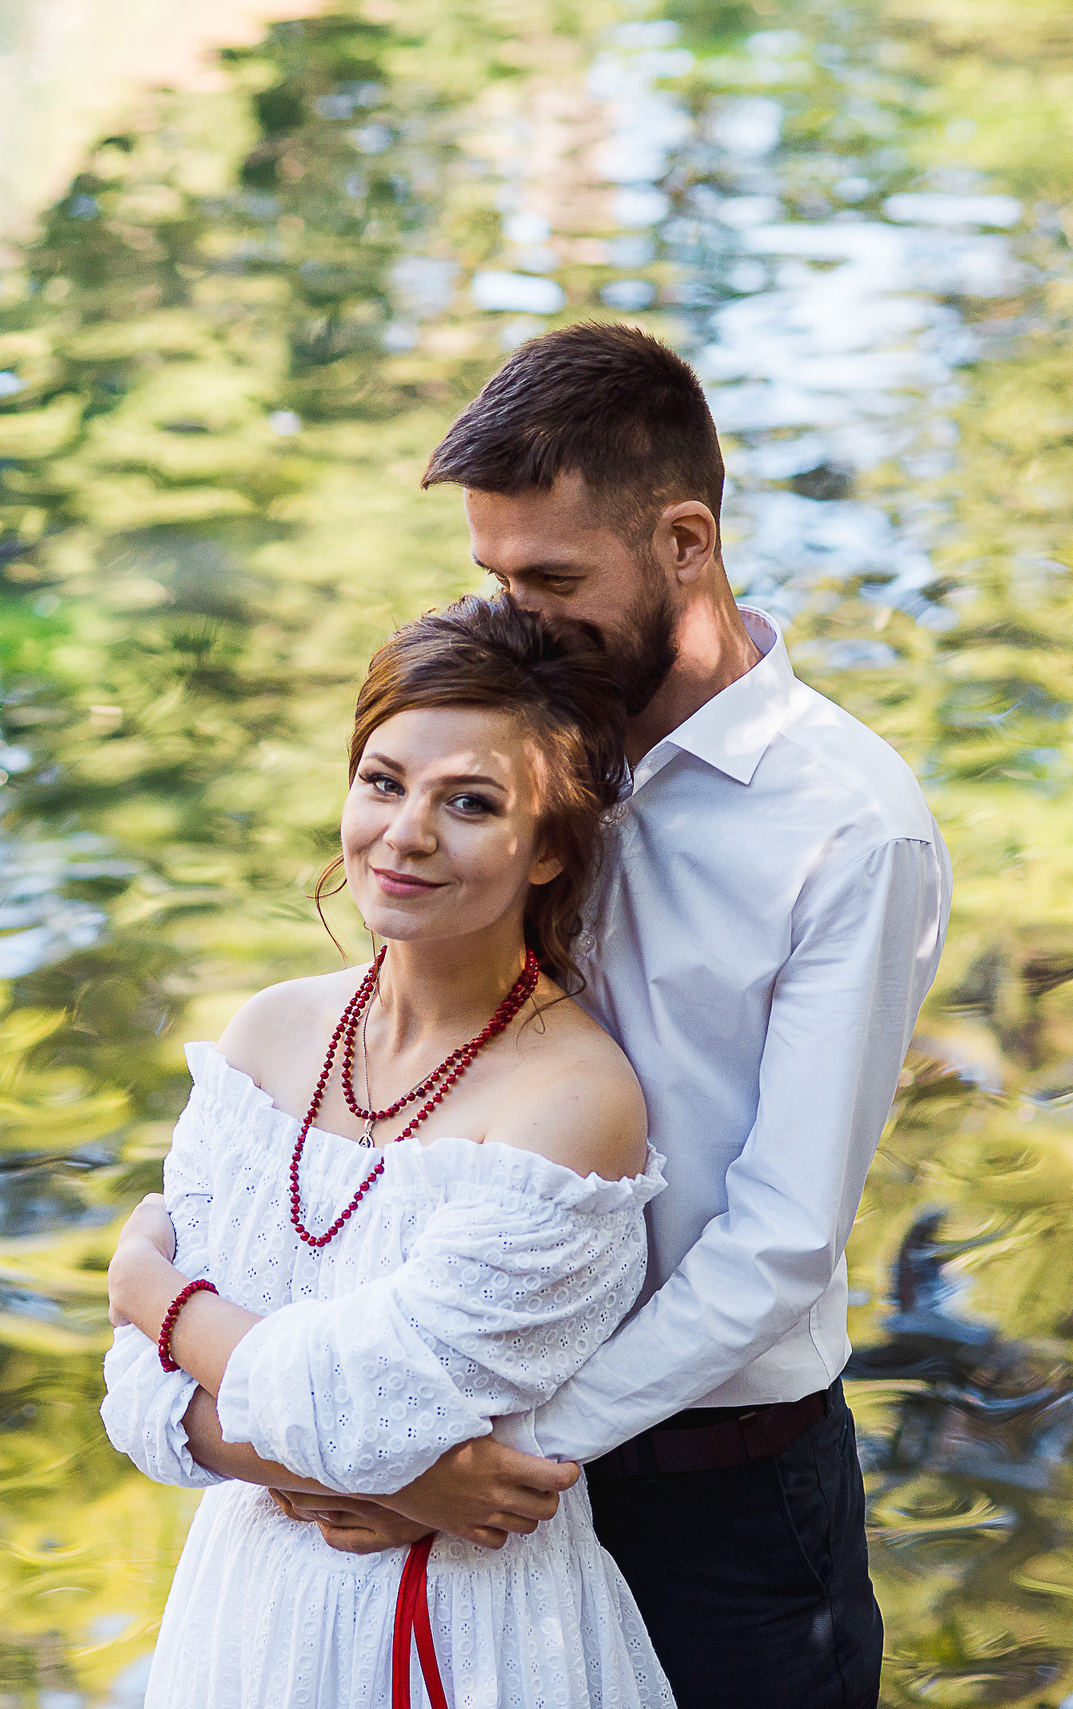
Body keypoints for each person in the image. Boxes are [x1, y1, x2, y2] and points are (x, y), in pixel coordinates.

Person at [263, 321, 954, 1709]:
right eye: (494, 576)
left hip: (714, 1498)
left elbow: (780, 1238)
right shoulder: (507, 755)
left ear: (686, 542)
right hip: (458, 1437)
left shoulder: (847, 831)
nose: (517, 613)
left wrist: (499, 1464)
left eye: (554, 577)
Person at [99, 596, 677, 1709]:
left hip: (469, 1630)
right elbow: (137, 1406)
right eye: (382, 780)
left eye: (469, 802)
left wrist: (152, 1294)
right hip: (246, 1613)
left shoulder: (573, 1102)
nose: (406, 831)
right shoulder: (267, 1034)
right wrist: (420, 1472)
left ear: (548, 847)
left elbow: (361, 1399)